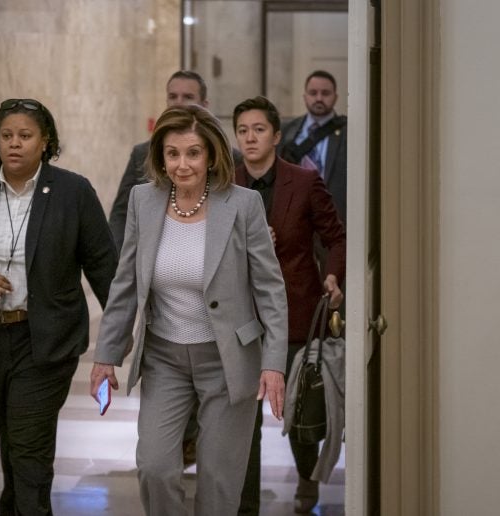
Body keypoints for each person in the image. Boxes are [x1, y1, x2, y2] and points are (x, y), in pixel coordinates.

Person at [90, 104, 289, 516]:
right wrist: (106, 354)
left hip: (229, 359)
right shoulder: (143, 201)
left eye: (193, 153)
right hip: (165, 357)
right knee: (156, 468)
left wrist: (274, 363)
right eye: (172, 153)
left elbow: (270, 289)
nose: (183, 165)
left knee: (218, 480)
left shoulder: (243, 205)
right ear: (160, 156)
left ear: (211, 154)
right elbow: (125, 283)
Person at [0, 98, 118, 515]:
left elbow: (103, 265)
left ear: (45, 141)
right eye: (6, 135)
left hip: (46, 338)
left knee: (29, 443)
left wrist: (118, 339)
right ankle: (14, 506)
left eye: (25, 136)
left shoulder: (72, 191)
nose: (14, 144)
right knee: (11, 435)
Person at [234, 96, 346, 513]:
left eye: (258, 129)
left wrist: (333, 276)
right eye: (243, 130)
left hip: (297, 309)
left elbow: (336, 236)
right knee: (246, 419)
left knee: (298, 409)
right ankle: (246, 504)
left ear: (277, 136)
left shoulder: (303, 181)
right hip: (243, 317)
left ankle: (306, 477)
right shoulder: (228, 183)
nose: (250, 137)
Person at [108, 70, 242, 252]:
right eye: (172, 96)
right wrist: (121, 258)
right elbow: (120, 214)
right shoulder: (141, 153)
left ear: (204, 104)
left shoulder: (231, 158)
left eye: (188, 96)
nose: (178, 102)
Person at [276, 69, 347, 230]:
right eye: (313, 93)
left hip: (333, 221)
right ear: (305, 97)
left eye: (325, 93)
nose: (319, 98)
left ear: (335, 97)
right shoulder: (286, 130)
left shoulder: (349, 133)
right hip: (294, 220)